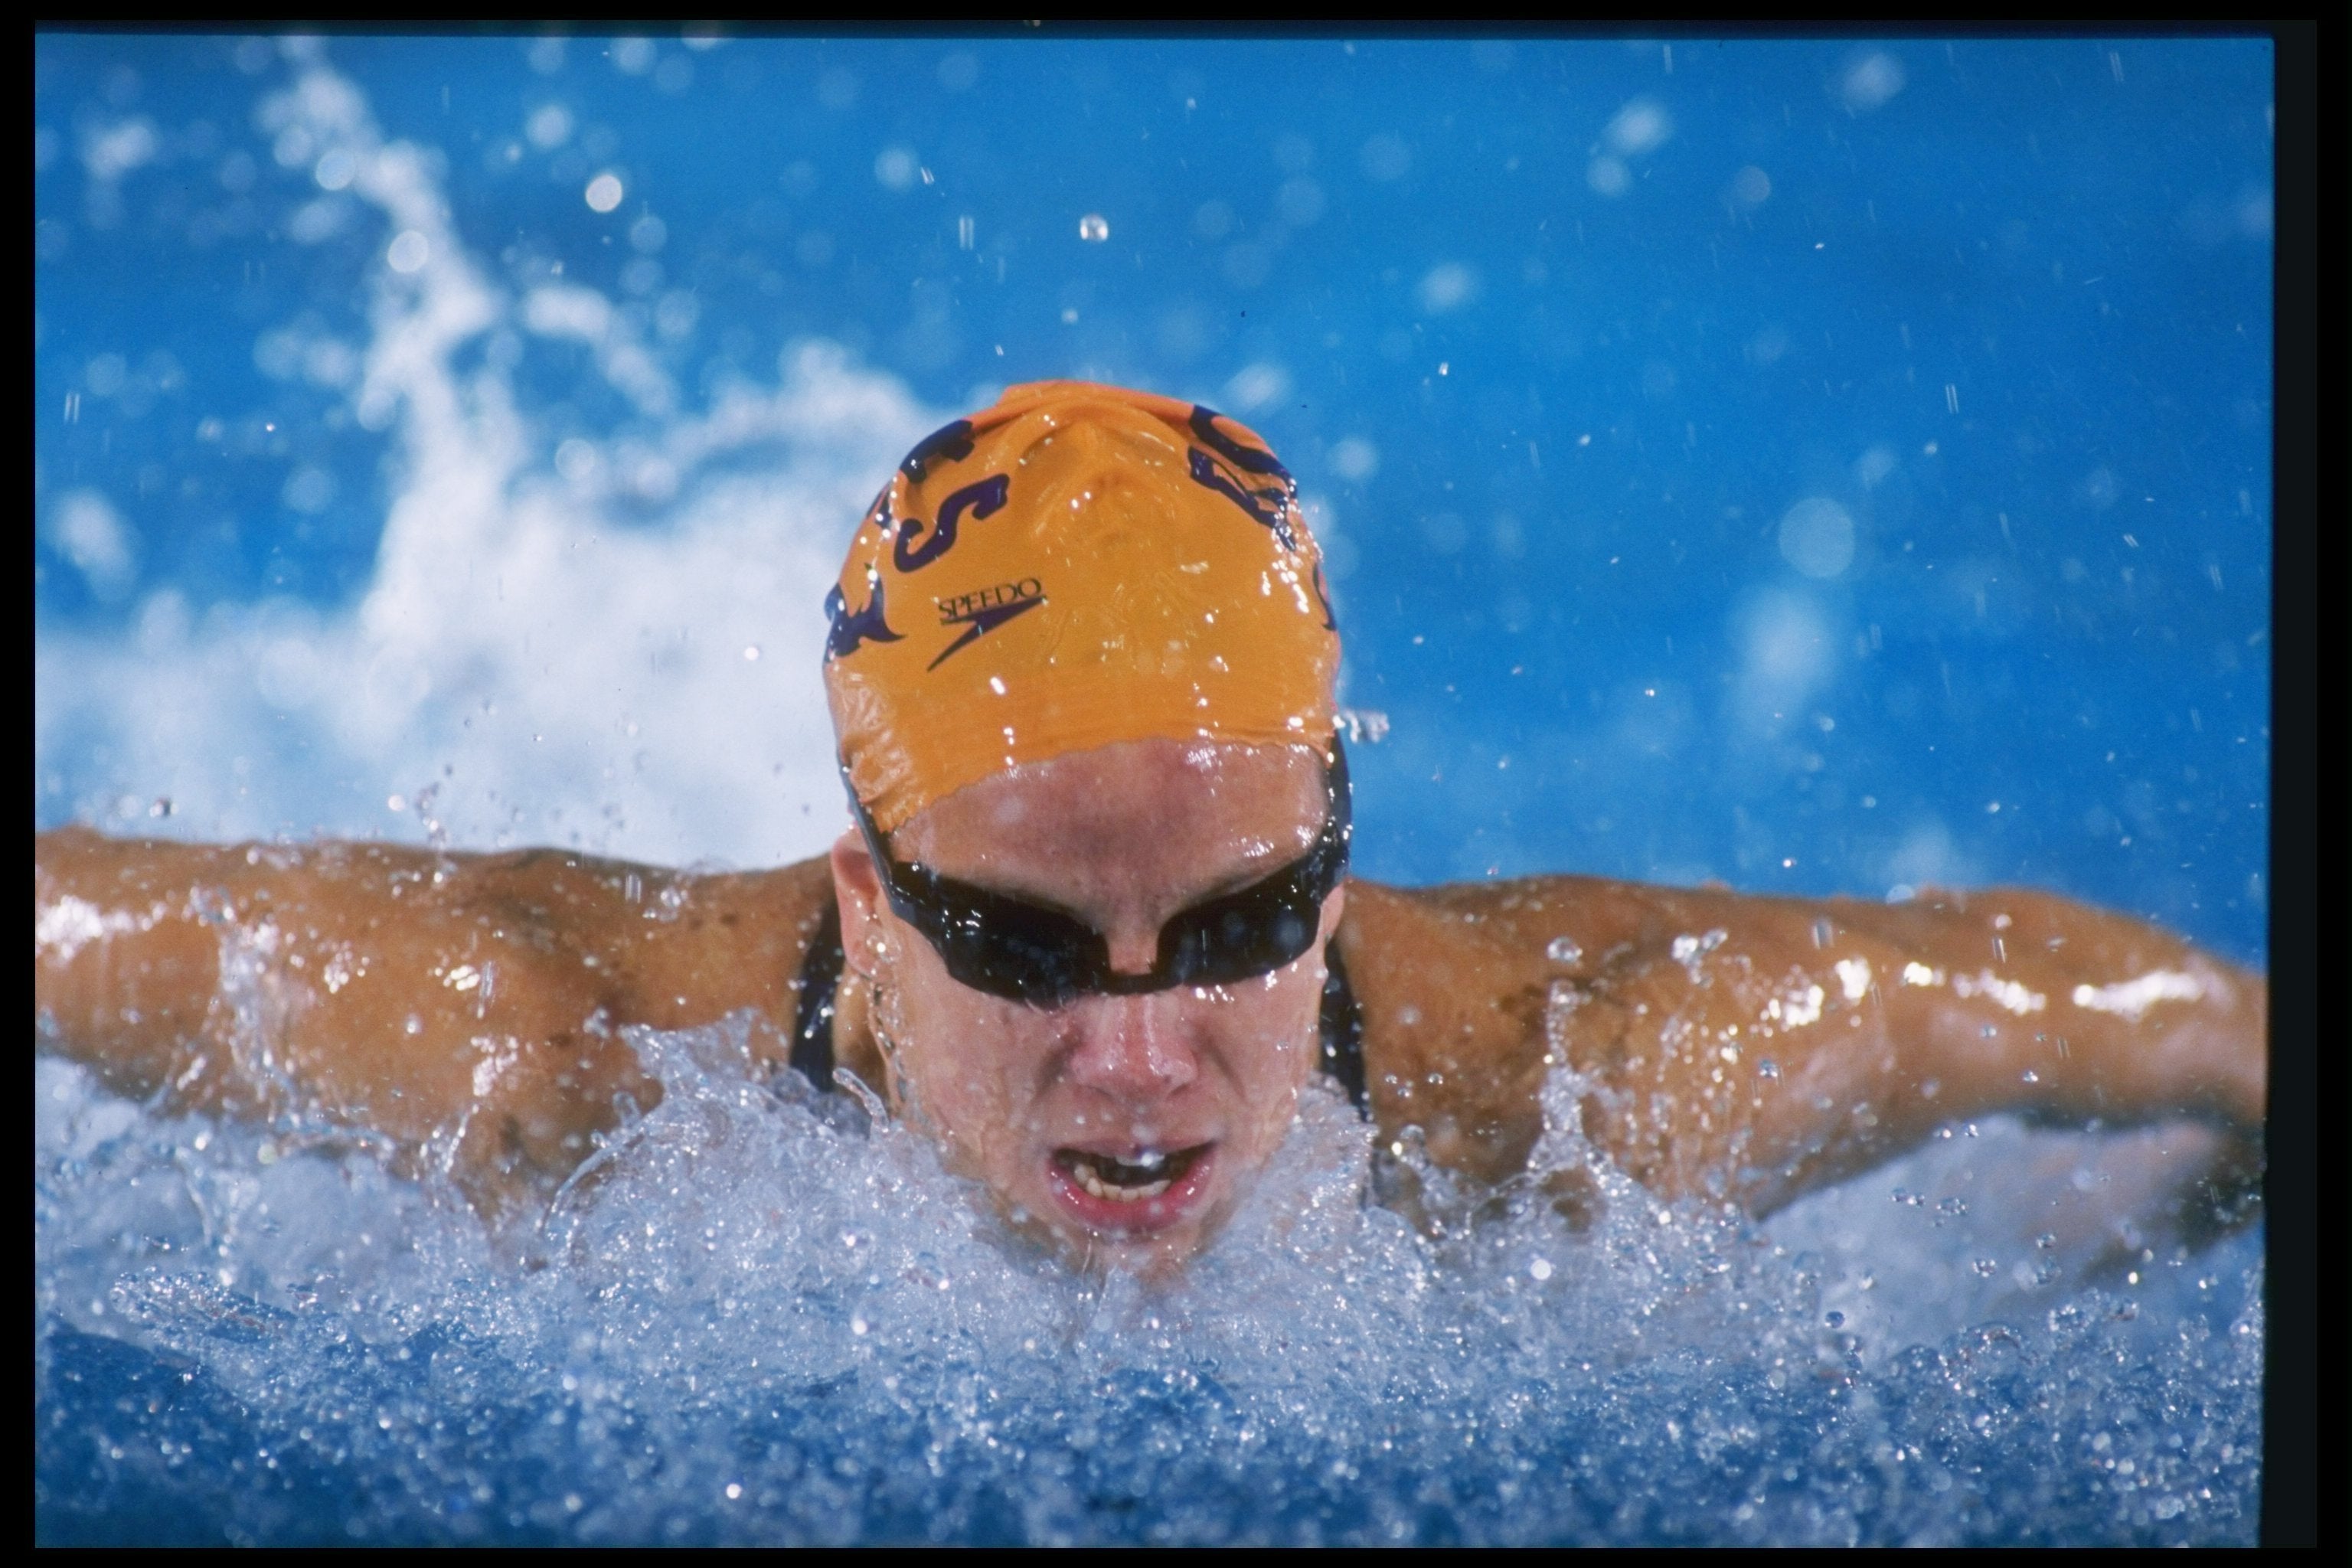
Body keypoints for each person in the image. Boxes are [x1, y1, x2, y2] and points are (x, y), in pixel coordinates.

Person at [34, 381, 2265, 1275]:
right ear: (861, 898)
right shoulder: (556, 1055)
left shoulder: (1601, 1084)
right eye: (1015, 944)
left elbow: (2200, 1032)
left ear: (1337, 854)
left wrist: (2112, 1249)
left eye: (1237, 923)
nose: (1138, 1058)